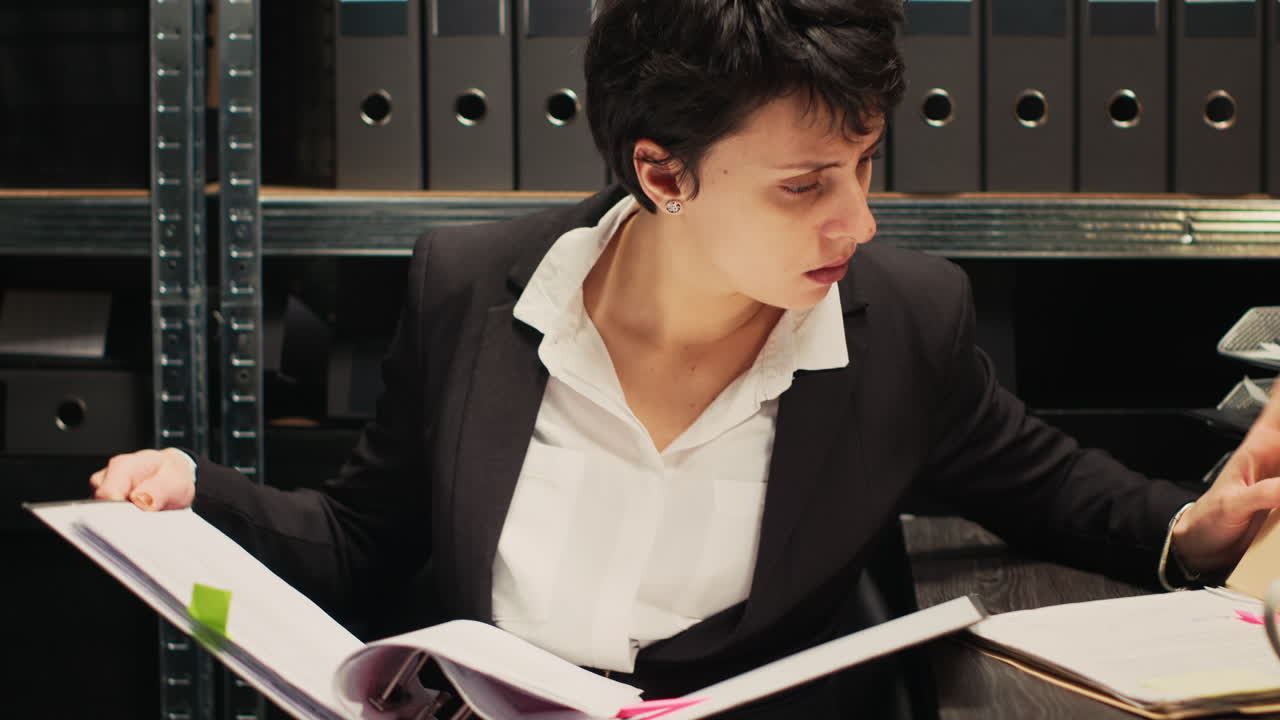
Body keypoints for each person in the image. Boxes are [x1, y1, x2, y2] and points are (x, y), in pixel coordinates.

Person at [90, 0, 1280, 717]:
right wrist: (203, 497)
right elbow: (365, 539)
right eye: (805, 185)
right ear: (661, 174)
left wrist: (1194, 525)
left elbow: (1047, 481)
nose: (857, 222)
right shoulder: (469, 290)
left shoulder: (903, 323)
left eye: (865, 165)